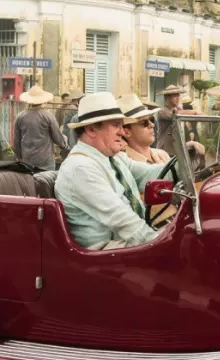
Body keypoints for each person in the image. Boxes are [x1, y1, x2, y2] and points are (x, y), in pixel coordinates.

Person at [55, 92, 167, 250]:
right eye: (116, 125)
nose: (122, 132)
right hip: (102, 255)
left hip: (123, 245)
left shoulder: (113, 159)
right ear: (91, 129)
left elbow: (151, 174)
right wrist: (160, 243)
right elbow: (121, 218)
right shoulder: (81, 167)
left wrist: (183, 165)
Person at [14, 85, 68, 170]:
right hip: (45, 160)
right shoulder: (48, 116)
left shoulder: (20, 116)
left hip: (27, 159)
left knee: (29, 182)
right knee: (47, 181)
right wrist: (64, 144)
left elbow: (17, 140)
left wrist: (18, 156)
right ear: (42, 100)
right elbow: (57, 138)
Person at [155, 85, 199, 155]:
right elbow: (176, 116)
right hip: (165, 151)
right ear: (167, 97)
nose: (178, 98)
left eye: (178, 95)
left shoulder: (178, 110)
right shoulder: (162, 111)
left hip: (177, 149)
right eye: (174, 96)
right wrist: (195, 112)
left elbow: (186, 125)